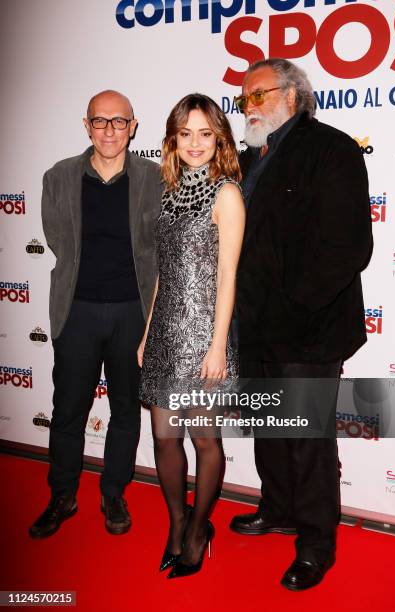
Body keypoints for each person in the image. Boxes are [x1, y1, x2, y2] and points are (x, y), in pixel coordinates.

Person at [230, 59, 372, 591]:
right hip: (256, 323)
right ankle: (278, 508)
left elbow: (348, 247)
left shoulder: (331, 150)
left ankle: (316, 541)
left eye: (258, 95)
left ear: (292, 94)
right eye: (244, 99)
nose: (249, 106)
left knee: (308, 439)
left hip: (308, 328)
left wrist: (292, 307)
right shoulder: (248, 160)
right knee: (270, 429)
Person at [29, 90, 162, 539]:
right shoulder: (60, 176)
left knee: (126, 409)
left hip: (134, 312)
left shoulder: (156, 178)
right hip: (77, 311)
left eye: (118, 122)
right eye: (100, 122)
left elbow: (158, 248)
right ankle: (62, 495)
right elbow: (58, 240)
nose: (109, 130)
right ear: (86, 126)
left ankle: (113, 492)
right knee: (68, 410)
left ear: (134, 126)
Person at [138, 94, 245, 578]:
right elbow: (163, 272)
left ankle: (200, 530)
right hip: (165, 332)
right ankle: (176, 523)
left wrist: (218, 344)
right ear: (173, 140)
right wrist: (147, 333)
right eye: (186, 134)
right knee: (164, 438)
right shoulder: (169, 190)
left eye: (205, 133)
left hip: (205, 334)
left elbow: (228, 275)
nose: (196, 143)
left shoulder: (227, 193)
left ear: (218, 138)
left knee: (204, 440)